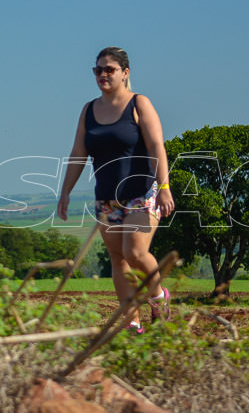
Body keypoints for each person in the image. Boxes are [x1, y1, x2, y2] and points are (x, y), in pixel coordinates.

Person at [57, 47, 175, 334]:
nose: (102, 75)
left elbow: (156, 146)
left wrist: (164, 186)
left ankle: (159, 298)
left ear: (125, 73)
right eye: (98, 70)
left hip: (141, 192)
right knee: (117, 258)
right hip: (106, 198)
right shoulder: (89, 110)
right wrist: (65, 193)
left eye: (109, 69)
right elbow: (78, 153)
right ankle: (130, 321)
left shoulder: (139, 104)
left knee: (134, 252)